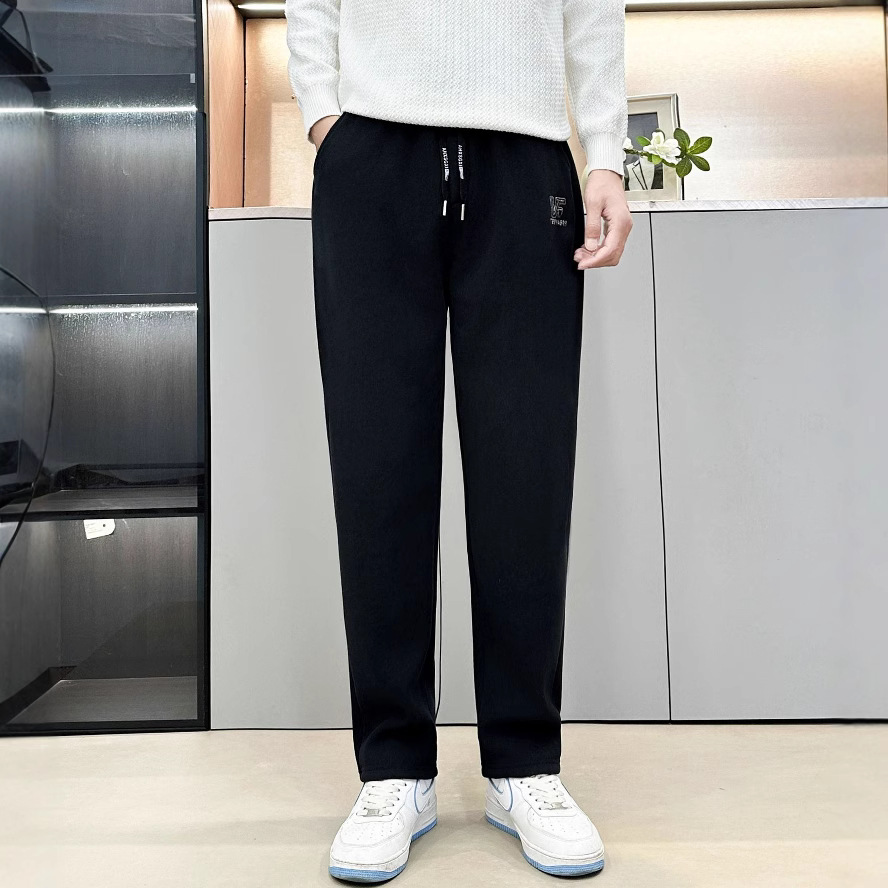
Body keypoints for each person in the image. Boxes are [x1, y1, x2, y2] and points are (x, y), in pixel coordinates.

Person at [285, 0, 632, 880]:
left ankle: (525, 765)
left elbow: (593, 9)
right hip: (371, 151)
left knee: (527, 468)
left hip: (526, 155)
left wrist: (604, 153)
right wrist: (324, 114)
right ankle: (395, 770)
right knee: (377, 466)